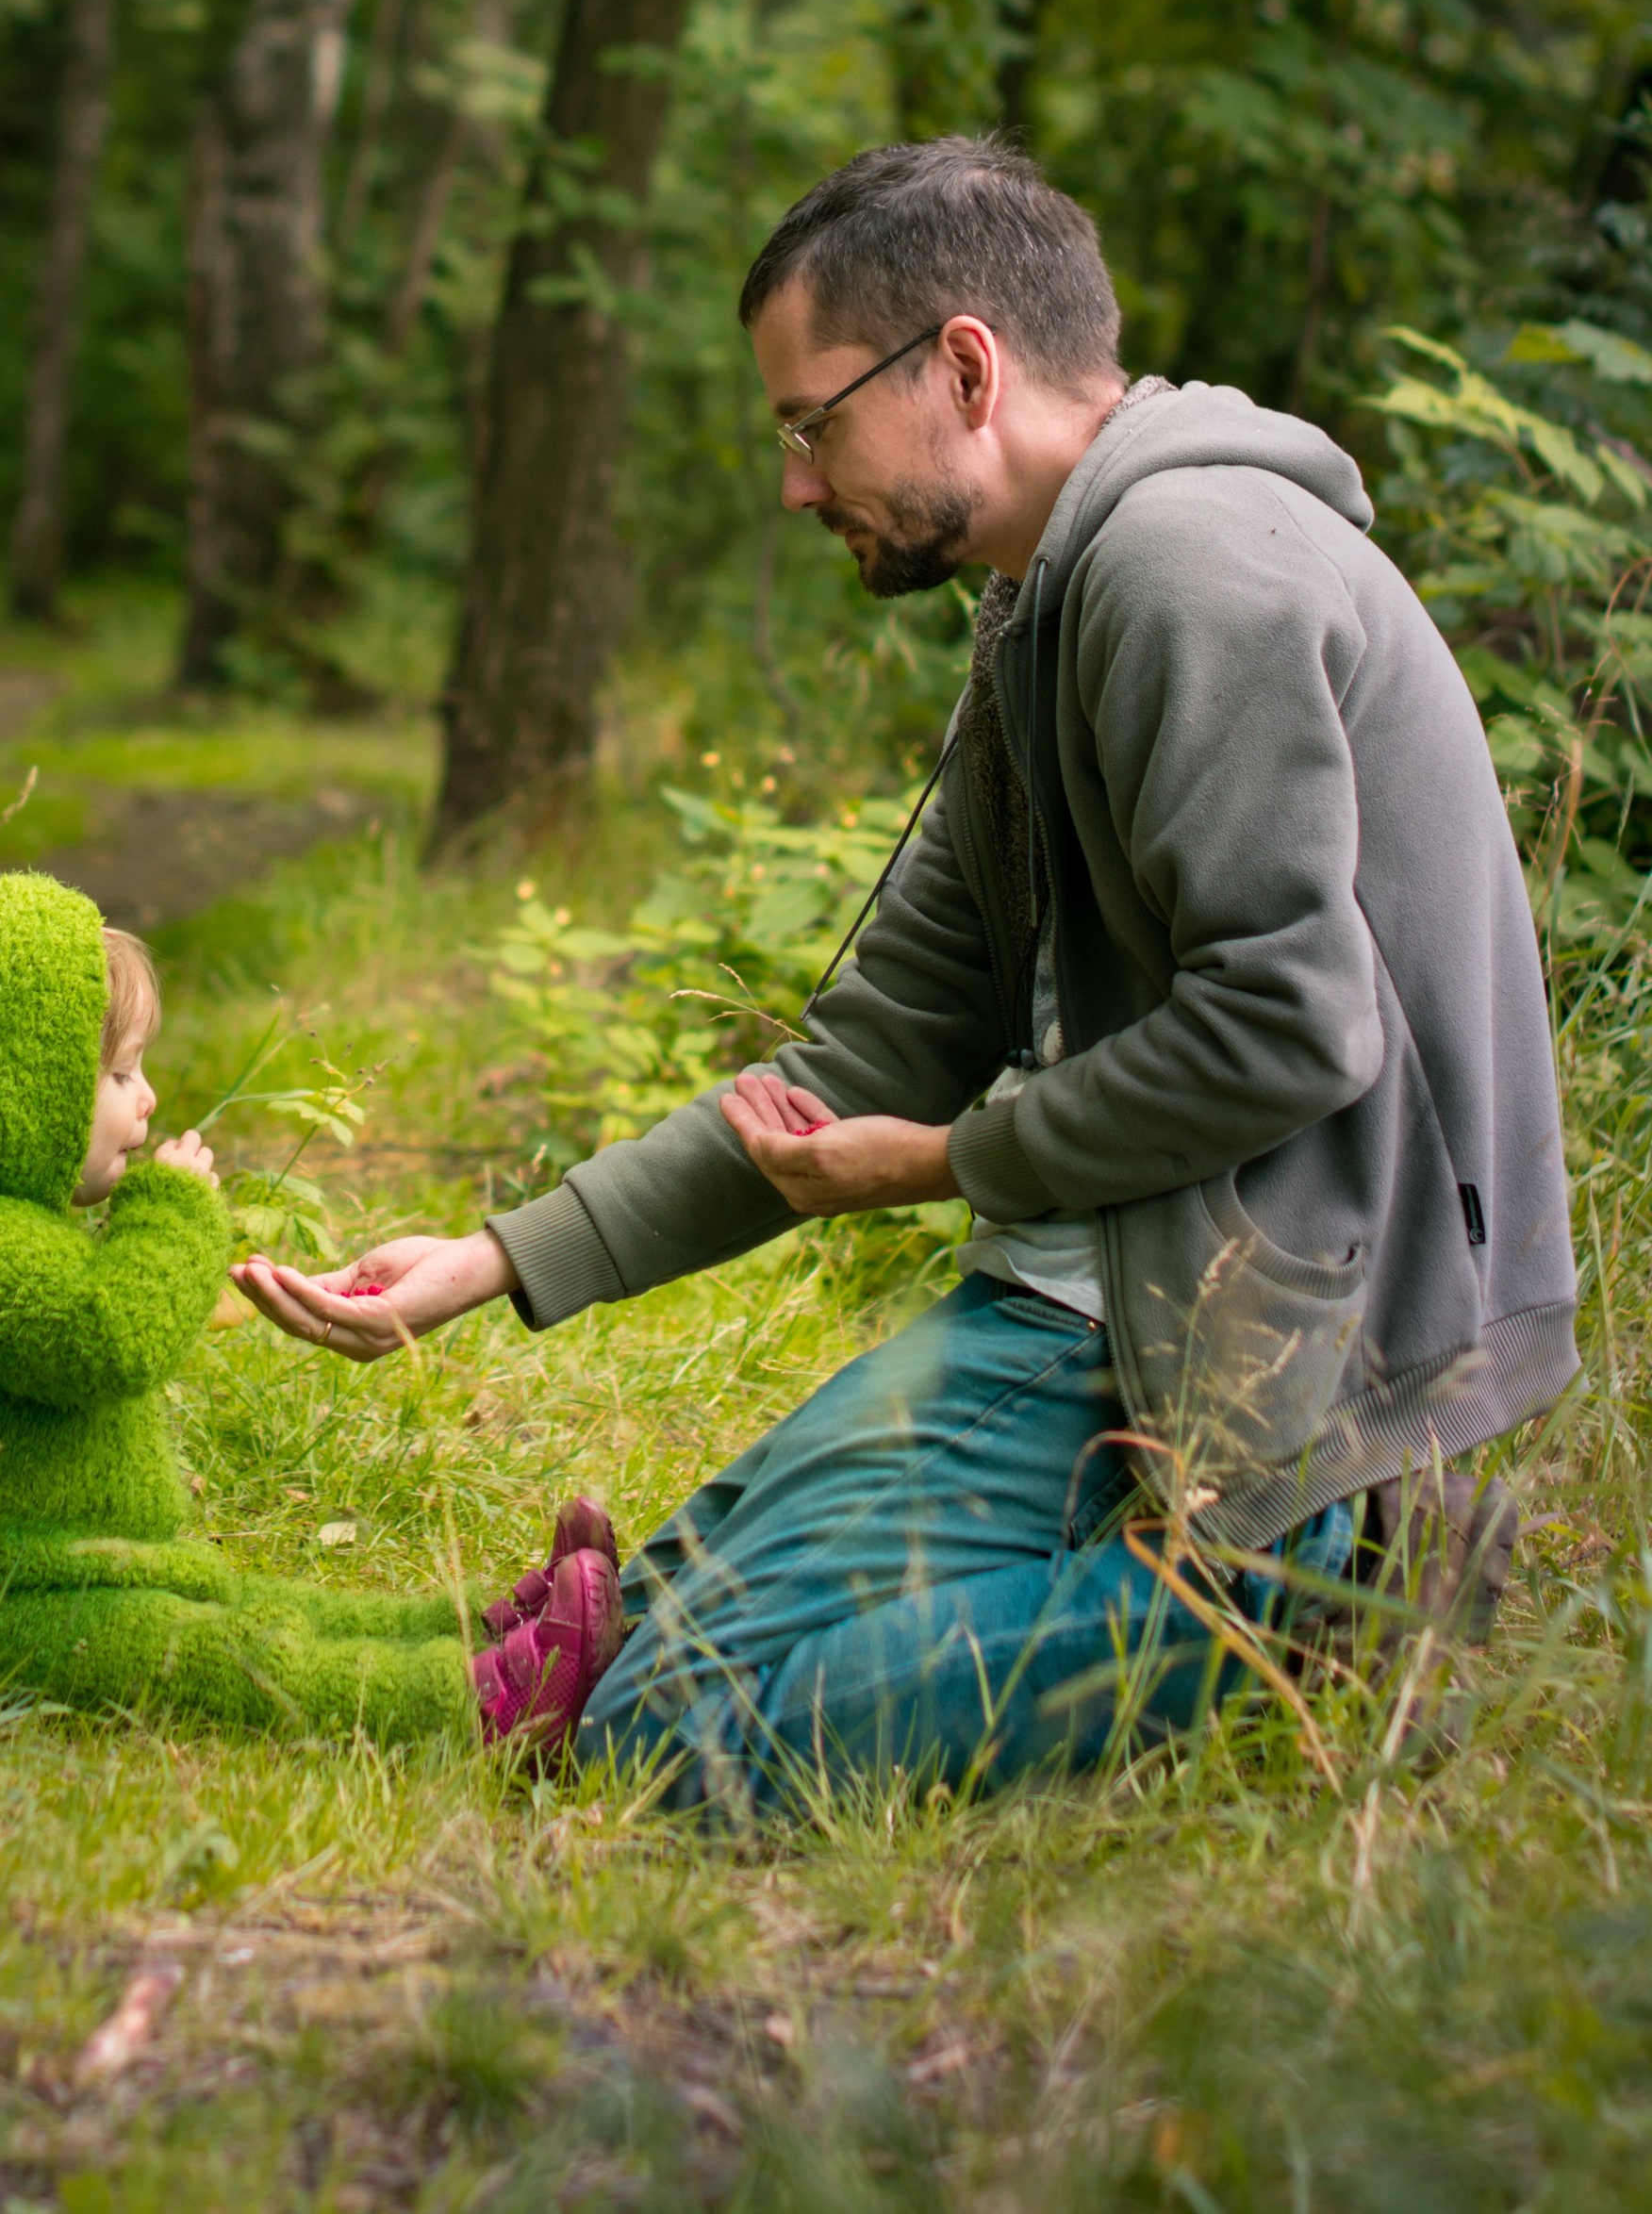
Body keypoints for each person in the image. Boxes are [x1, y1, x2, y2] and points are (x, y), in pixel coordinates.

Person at [234, 139, 1578, 1813]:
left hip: (1262, 1347)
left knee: (684, 1740)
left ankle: (1317, 1596)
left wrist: (947, 1168)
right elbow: (879, 1047)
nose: (796, 484)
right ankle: (1098, 1575)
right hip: (1105, 1281)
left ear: (962, 367)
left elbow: (1292, 1024)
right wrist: (496, 1260)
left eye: (810, 424)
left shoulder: (1186, 571)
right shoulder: (1043, 600)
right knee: (654, 1632)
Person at [0, 867, 621, 1747]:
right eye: (120, 1072)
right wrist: (170, 1213)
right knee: (220, 1653)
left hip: (68, 1571)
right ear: (13, 1086)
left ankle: (476, 1631)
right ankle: (477, 1707)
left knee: (252, 1604)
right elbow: (108, 1338)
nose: (148, 1098)